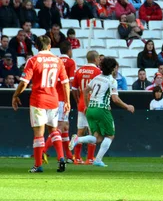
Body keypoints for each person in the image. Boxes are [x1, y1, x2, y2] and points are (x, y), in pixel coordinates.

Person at [11, 35, 69, 173]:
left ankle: (38, 165)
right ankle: (61, 158)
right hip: (54, 100)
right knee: (54, 130)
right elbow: (66, 83)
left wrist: (15, 95)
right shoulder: (57, 60)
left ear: (36, 47)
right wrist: (67, 101)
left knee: (39, 134)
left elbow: (24, 82)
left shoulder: (33, 60)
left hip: (38, 100)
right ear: (50, 46)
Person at [69, 57, 135, 168]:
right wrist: (127, 106)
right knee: (110, 135)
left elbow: (85, 91)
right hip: (101, 110)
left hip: (91, 109)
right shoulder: (112, 81)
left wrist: (87, 105)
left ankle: (78, 139)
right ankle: (98, 160)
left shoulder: (96, 78)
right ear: (113, 68)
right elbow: (115, 99)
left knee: (98, 137)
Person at [42, 41, 77, 164]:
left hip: (51, 97)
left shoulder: (55, 60)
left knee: (65, 126)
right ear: (69, 50)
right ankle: (43, 150)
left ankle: (68, 155)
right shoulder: (71, 62)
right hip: (62, 99)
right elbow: (71, 82)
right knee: (60, 127)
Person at [70, 50, 101, 165]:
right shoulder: (98, 72)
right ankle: (90, 158)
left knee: (80, 130)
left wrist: (79, 100)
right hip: (92, 105)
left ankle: (77, 158)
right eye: (98, 59)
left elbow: (74, 89)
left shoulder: (79, 71)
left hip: (81, 104)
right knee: (93, 132)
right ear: (95, 59)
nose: (99, 61)